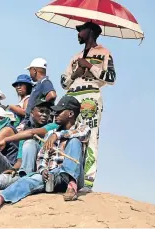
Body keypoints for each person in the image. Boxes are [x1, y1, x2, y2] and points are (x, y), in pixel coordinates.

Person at [0, 95, 90, 211]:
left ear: (70, 114)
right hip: (54, 176)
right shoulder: (51, 133)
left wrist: (57, 135)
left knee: (75, 141)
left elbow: (81, 134)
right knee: (29, 179)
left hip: (73, 175)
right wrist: (43, 170)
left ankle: (72, 185)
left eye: (59, 112)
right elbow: (42, 156)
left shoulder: (83, 128)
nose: (54, 115)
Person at [60, 21, 116, 189]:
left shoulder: (104, 53)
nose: (78, 33)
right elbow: (63, 82)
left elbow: (111, 78)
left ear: (90, 31)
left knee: (89, 136)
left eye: (80, 29)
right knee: (68, 134)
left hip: (90, 97)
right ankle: (66, 176)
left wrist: (90, 66)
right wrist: (75, 74)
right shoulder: (75, 56)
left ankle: (87, 181)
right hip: (71, 97)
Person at [18, 58, 57, 130]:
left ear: (34, 71)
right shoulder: (39, 84)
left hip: (36, 125)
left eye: (30, 71)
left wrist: (41, 103)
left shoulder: (44, 81)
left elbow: (52, 95)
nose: (30, 74)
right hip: (30, 123)